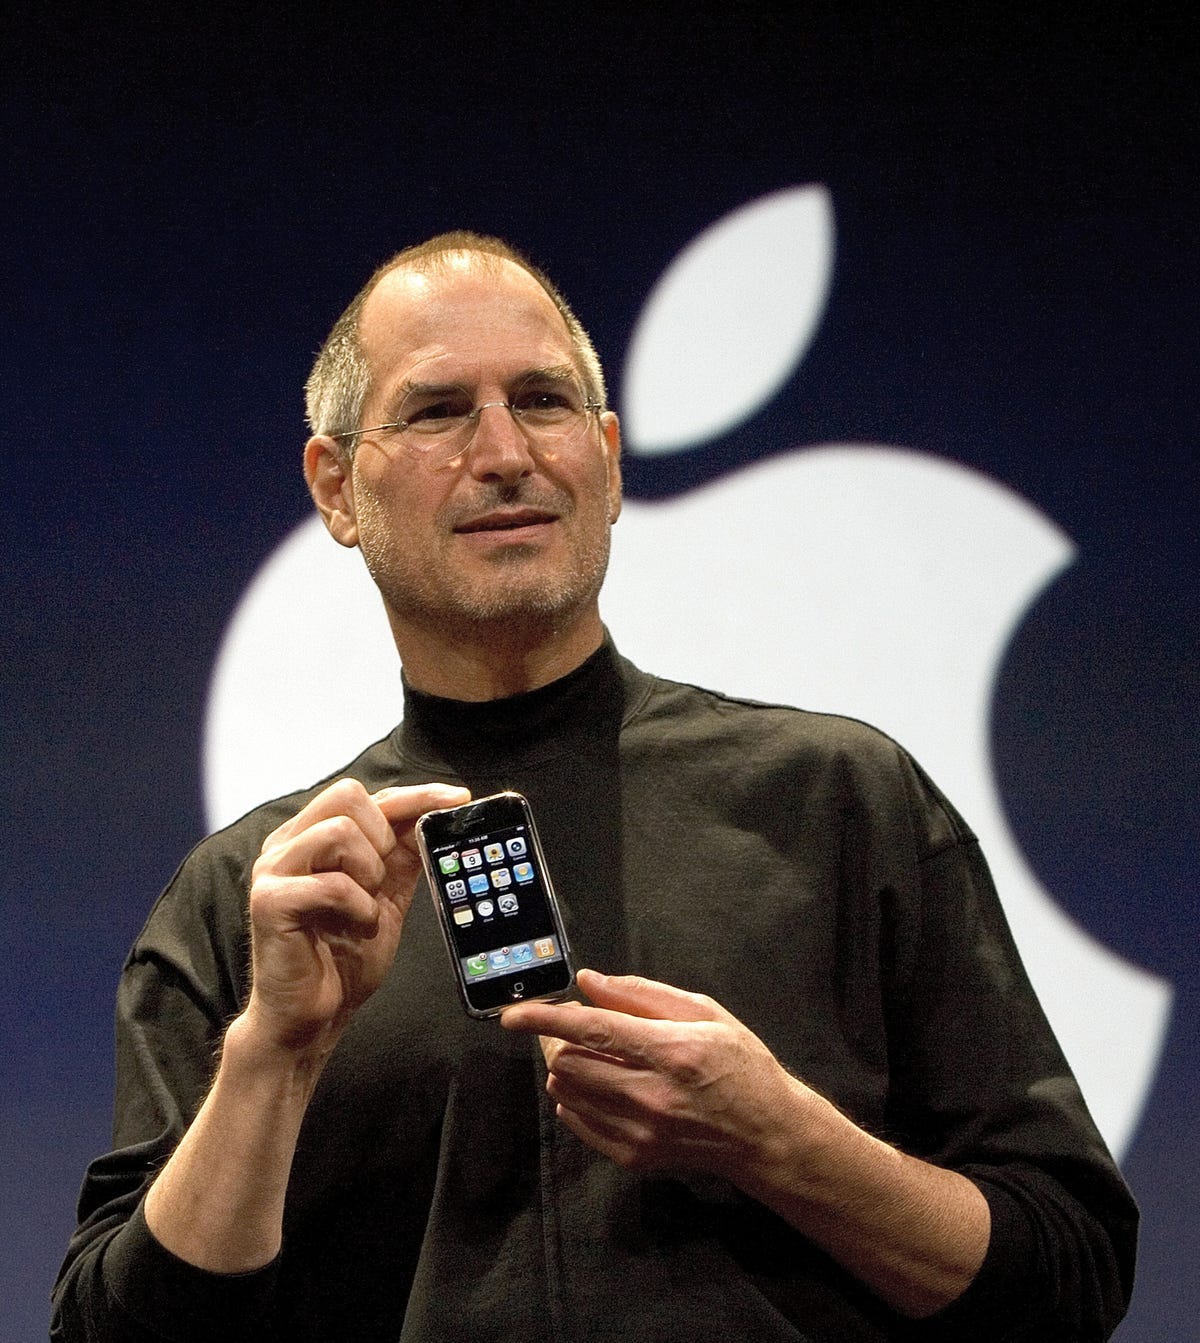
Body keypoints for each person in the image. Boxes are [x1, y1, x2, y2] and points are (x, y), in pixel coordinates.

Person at [52, 233, 1137, 1342]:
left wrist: (783, 1141)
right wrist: (271, 1059)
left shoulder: (840, 799)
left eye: (542, 400)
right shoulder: (258, 896)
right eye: (436, 411)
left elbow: (1071, 1274)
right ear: (336, 486)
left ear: (608, 461)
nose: (504, 452)